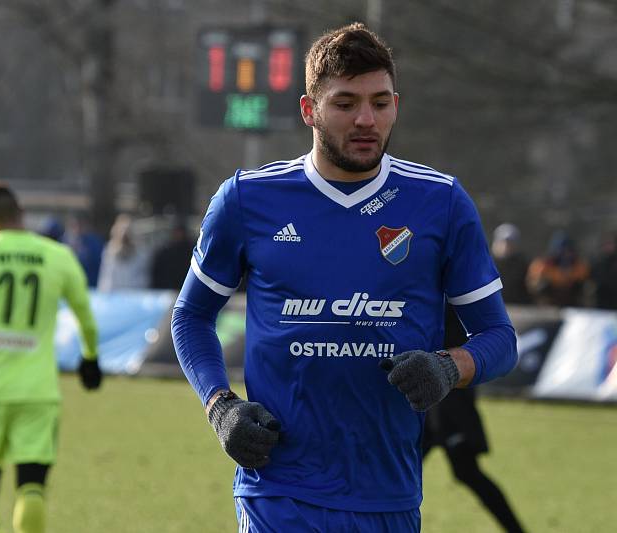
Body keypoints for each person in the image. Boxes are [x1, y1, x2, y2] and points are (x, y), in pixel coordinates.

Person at [171, 23, 517, 532]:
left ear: (396, 105)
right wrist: (220, 406)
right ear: (309, 110)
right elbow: (191, 315)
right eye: (345, 103)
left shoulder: (440, 203)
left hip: (388, 497)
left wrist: (449, 366)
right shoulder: (247, 199)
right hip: (279, 493)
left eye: (380, 103)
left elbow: (500, 339)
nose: (365, 120)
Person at [0, 180, 101, 533]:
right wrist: (90, 358)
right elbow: (86, 317)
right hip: (37, 390)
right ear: (22, 214)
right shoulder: (57, 255)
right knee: (31, 486)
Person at [423, 304, 526, 533]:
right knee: (401, 469)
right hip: (426, 396)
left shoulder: (448, 290)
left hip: (450, 394)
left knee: (465, 470)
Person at [526, 231, 590, 307]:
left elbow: (585, 285)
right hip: (548, 303)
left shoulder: (578, 264)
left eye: (568, 251)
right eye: (562, 251)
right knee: (542, 286)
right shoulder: (543, 264)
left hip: (572, 302)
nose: (566, 254)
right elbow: (533, 284)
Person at [96, 213, 150, 291]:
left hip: (135, 297)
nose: (125, 235)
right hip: (113, 297)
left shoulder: (141, 253)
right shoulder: (109, 251)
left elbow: (143, 281)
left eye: (128, 232)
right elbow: (105, 279)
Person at [490, 223, 531, 305]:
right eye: (502, 241)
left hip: (518, 311)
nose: (505, 246)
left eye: (510, 242)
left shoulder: (523, 266)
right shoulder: (485, 265)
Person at [150, 218, 195, 290]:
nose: (179, 235)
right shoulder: (164, 253)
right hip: (167, 292)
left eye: (180, 232)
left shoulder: (191, 252)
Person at [64, 212, 104, 287]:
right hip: (70, 286)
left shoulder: (94, 242)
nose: (77, 228)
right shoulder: (64, 242)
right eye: (73, 225)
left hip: (90, 286)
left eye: (80, 225)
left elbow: (98, 265)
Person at [590, 232, 617, 310]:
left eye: (610, 243)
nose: (608, 246)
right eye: (606, 244)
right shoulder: (597, 262)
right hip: (602, 304)